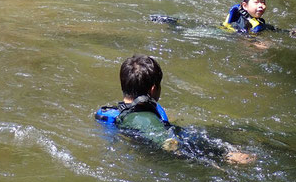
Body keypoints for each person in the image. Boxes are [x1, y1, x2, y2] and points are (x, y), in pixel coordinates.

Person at [95, 55, 255, 165]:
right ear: (153, 89)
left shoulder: (119, 112)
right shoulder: (145, 120)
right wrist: (221, 157)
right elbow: (169, 145)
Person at [221, 0, 296, 36]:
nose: (261, 5)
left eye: (263, 2)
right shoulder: (241, 20)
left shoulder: (257, 22)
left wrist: (291, 32)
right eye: (256, 2)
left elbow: (272, 29)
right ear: (245, 6)